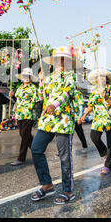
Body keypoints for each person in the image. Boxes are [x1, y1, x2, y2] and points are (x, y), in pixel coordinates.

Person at [30, 46, 77, 205]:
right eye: (58, 58)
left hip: (64, 119)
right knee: (36, 149)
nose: (61, 61)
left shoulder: (70, 76)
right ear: (54, 61)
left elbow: (67, 92)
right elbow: (41, 97)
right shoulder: (49, 77)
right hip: (48, 119)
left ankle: (68, 190)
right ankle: (47, 184)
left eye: (64, 58)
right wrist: (41, 81)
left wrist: (55, 104)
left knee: (65, 157)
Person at [80, 69, 111, 174]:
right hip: (98, 119)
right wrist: (84, 115)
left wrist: (107, 98)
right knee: (94, 137)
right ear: (96, 80)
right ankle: (105, 154)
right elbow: (91, 105)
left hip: (110, 119)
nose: (101, 78)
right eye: (99, 77)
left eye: (103, 76)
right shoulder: (94, 90)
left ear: (106, 79)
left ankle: (108, 166)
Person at [10, 67, 40, 166]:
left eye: (27, 76)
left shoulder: (33, 88)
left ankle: (21, 158)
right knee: (24, 135)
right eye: (24, 76)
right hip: (19, 114)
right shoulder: (19, 88)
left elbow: (37, 102)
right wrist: (12, 96)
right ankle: (37, 150)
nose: (25, 77)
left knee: (24, 135)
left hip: (29, 114)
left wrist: (39, 116)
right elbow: (18, 101)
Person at [74, 87, 89, 153]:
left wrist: (79, 116)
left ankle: (84, 146)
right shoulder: (65, 92)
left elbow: (80, 106)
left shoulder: (77, 93)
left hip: (76, 117)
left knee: (80, 133)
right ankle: (64, 149)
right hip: (68, 116)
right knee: (67, 135)